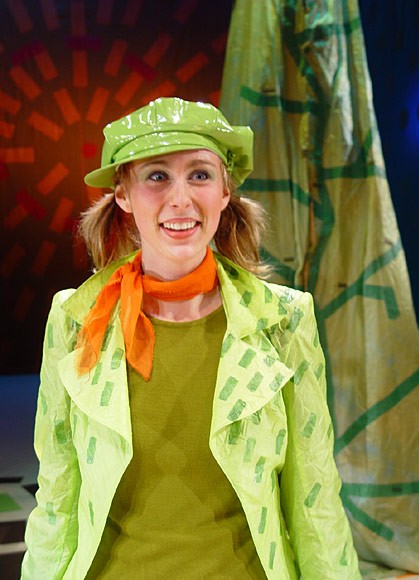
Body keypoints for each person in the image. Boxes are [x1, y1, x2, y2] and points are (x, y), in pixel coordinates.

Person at [21, 97, 360, 580]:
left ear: (225, 191)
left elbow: (315, 499)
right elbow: (57, 497)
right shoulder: (77, 320)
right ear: (123, 194)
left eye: (199, 175)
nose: (180, 198)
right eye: (157, 176)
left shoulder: (283, 321)